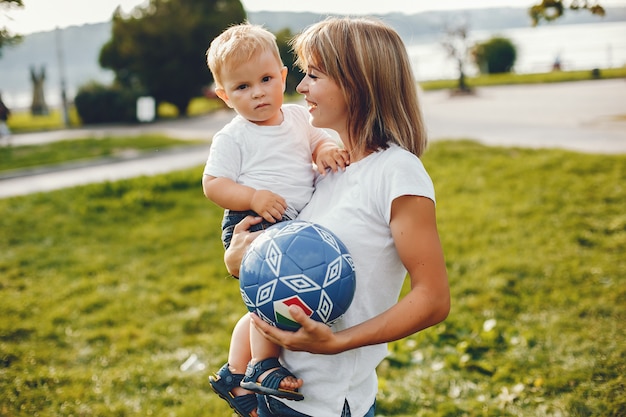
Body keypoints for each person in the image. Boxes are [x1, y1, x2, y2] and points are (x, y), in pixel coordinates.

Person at [223, 17, 450, 417]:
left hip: (327, 404)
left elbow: (432, 299)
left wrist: (337, 343)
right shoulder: (327, 172)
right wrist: (240, 258)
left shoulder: (398, 172)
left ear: (356, 83)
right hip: (278, 393)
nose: (300, 87)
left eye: (313, 74)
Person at [202, 23, 349, 417]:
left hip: (289, 223)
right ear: (224, 96)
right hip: (253, 221)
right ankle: (263, 364)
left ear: (283, 76)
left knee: (260, 305)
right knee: (269, 302)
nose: (258, 93)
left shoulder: (300, 118)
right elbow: (213, 184)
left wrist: (325, 150)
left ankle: (233, 374)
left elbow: (318, 140)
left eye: (266, 79)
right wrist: (252, 196)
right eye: (242, 87)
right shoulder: (233, 138)